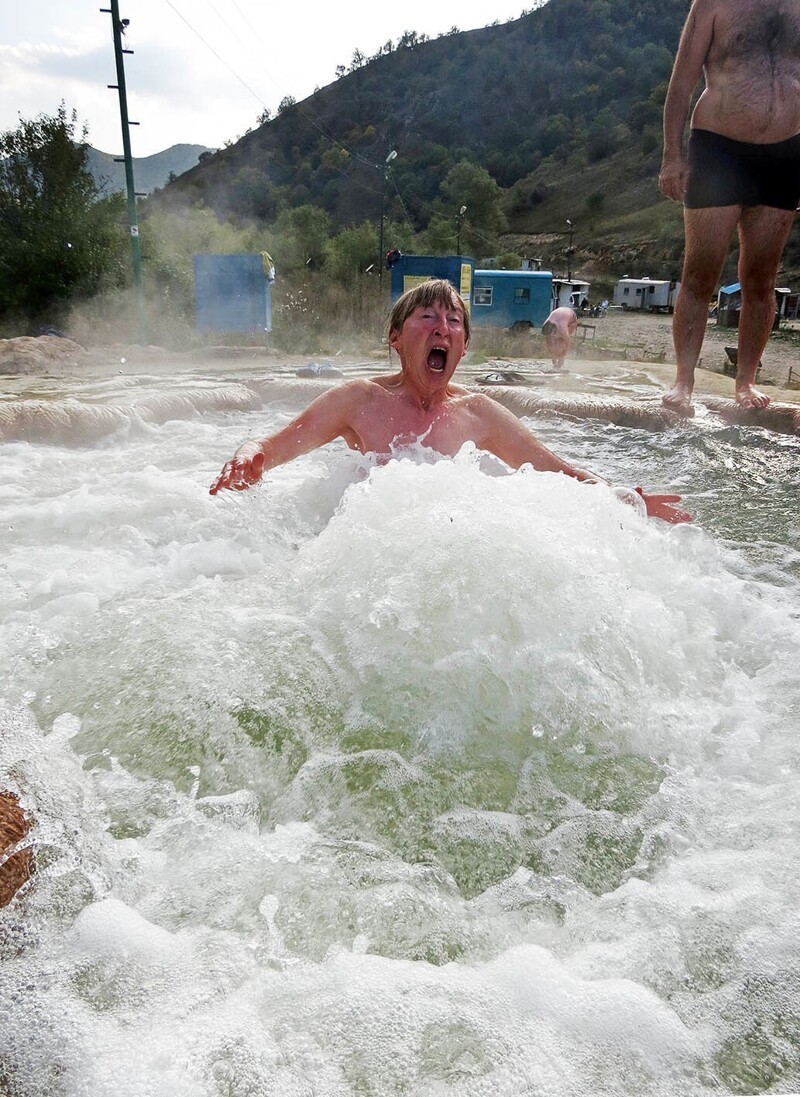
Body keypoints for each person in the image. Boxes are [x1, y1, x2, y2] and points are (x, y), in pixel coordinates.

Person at [210, 280, 690, 524]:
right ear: (396, 338)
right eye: (427, 316)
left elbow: (553, 469)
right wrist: (247, 456)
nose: (443, 327)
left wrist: (624, 496)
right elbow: (273, 446)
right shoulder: (359, 401)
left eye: (454, 322)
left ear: (462, 348)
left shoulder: (477, 413)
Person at [659, 0, 800, 414]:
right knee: (700, 271)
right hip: (718, 150)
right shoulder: (714, 3)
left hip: (786, 152)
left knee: (761, 278)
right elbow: (681, 84)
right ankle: (684, 380)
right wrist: (672, 156)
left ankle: (746, 381)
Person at [541, 306, 578, 371]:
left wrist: (562, 357)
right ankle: (556, 360)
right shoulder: (546, 325)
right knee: (553, 340)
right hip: (561, 313)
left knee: (562, 342)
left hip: (572, 320)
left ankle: (560, 362)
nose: (551, 336)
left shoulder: (562, 329)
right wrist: (552, 355)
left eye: (551, 334)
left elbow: (567, 343)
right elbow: (548, 342)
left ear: (554, 329)